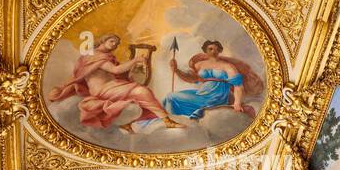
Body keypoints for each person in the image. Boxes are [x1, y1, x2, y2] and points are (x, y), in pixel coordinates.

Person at [48, 32, 183, 133]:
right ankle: (167, 121)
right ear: (103, 40)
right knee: (141, 91)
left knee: (138, 96)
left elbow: (117, 73)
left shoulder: (106, 57)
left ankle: (129, 123)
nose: (115, 45)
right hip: (103, 89)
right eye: (112, 41)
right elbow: (115, 70)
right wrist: (135, 61)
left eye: (117, 44)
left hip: (112, 86)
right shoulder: (92, 56)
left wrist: (133, 69)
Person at [164, 40, 264, 120]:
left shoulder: (228, 66)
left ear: (220, 50)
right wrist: (176, 70)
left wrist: (237, 103)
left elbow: (238, 86)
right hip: (201, 94)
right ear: (205, 50)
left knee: (172, 97)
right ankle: (173, 121)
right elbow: (191, 78)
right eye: (210, 49)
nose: (213, 51)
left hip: (217, 96)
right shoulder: (199, 65)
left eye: (216, 49)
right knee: (171, 97)